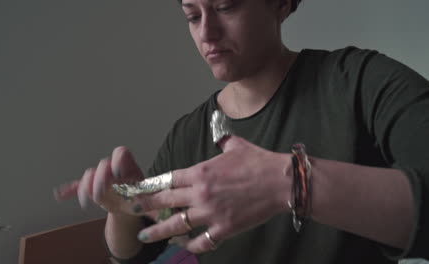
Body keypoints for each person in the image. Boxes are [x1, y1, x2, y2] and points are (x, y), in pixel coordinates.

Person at [55, 0, 429, 263]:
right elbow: (136, 253)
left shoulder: (359, 82)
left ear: (281, 3)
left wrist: (291, 182)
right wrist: (123, 210)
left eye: (225, 7)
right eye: (192, 15)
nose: (207, 33)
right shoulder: (187, 134)